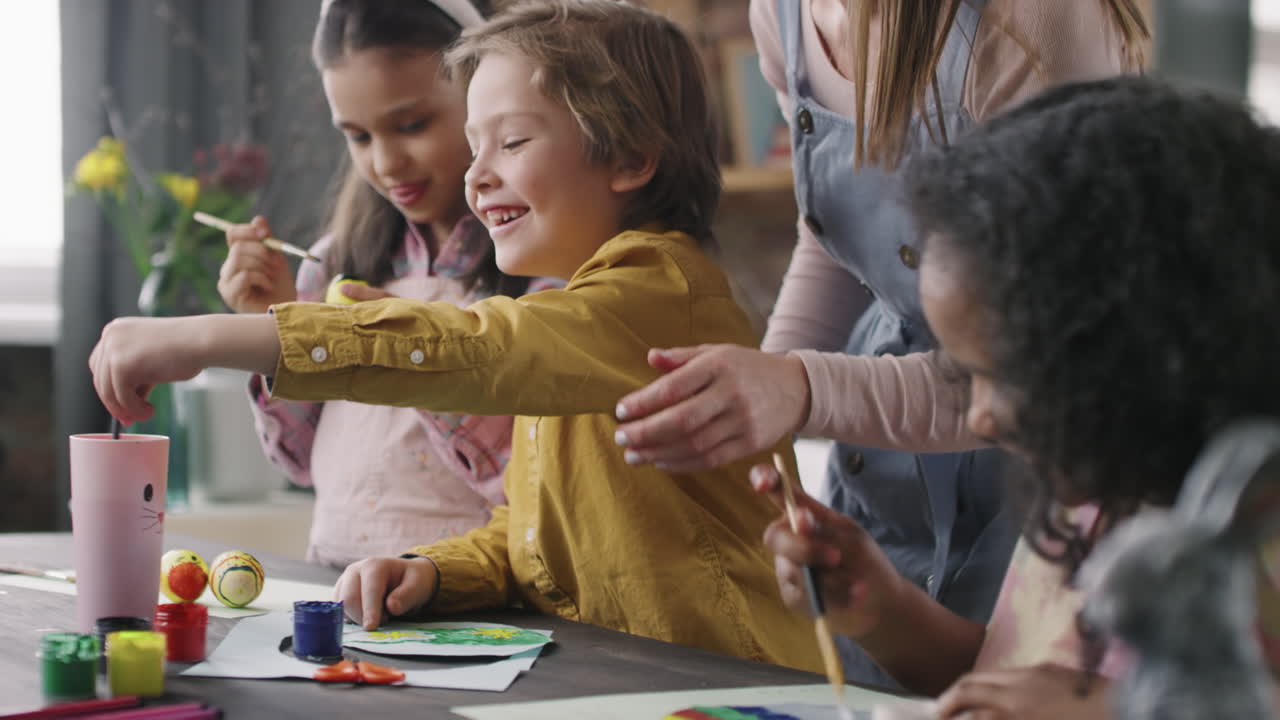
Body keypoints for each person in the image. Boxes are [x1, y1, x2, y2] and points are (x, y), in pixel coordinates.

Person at [88, 0, 822, 672]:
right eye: (474, 148)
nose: (476, 178)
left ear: (630, 158)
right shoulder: (572, 317)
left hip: (734, 682)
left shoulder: (658, 289)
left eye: (511, 142)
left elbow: (480, 346)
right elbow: (534, 532)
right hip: (619, 677)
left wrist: (210, 338)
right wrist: (437, 570)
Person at [611, 0, 1148, 686]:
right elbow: (836, 238)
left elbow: (1043, 369)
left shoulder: (1035, 17)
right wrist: (762, 407)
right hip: (887, 455)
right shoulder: (783, 13)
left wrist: (802, 388)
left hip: (1045, 460)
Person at [760, 76, 1280, 717]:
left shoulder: (1258, 528)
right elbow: (1007, 677)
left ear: (1135, 352)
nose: (978, 415)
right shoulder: (1081, 509)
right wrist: (883, 609)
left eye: (1002, 373)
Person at [213, 0, 553, 569]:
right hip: (335, 589)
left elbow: (534, 483)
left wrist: (415, 349)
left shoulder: (539, 269)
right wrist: (273, 330)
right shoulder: (333, 263)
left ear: (482, 96)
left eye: (412, 125)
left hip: (478, 603)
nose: (387, 162)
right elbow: (298, 461)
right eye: (358, 136)